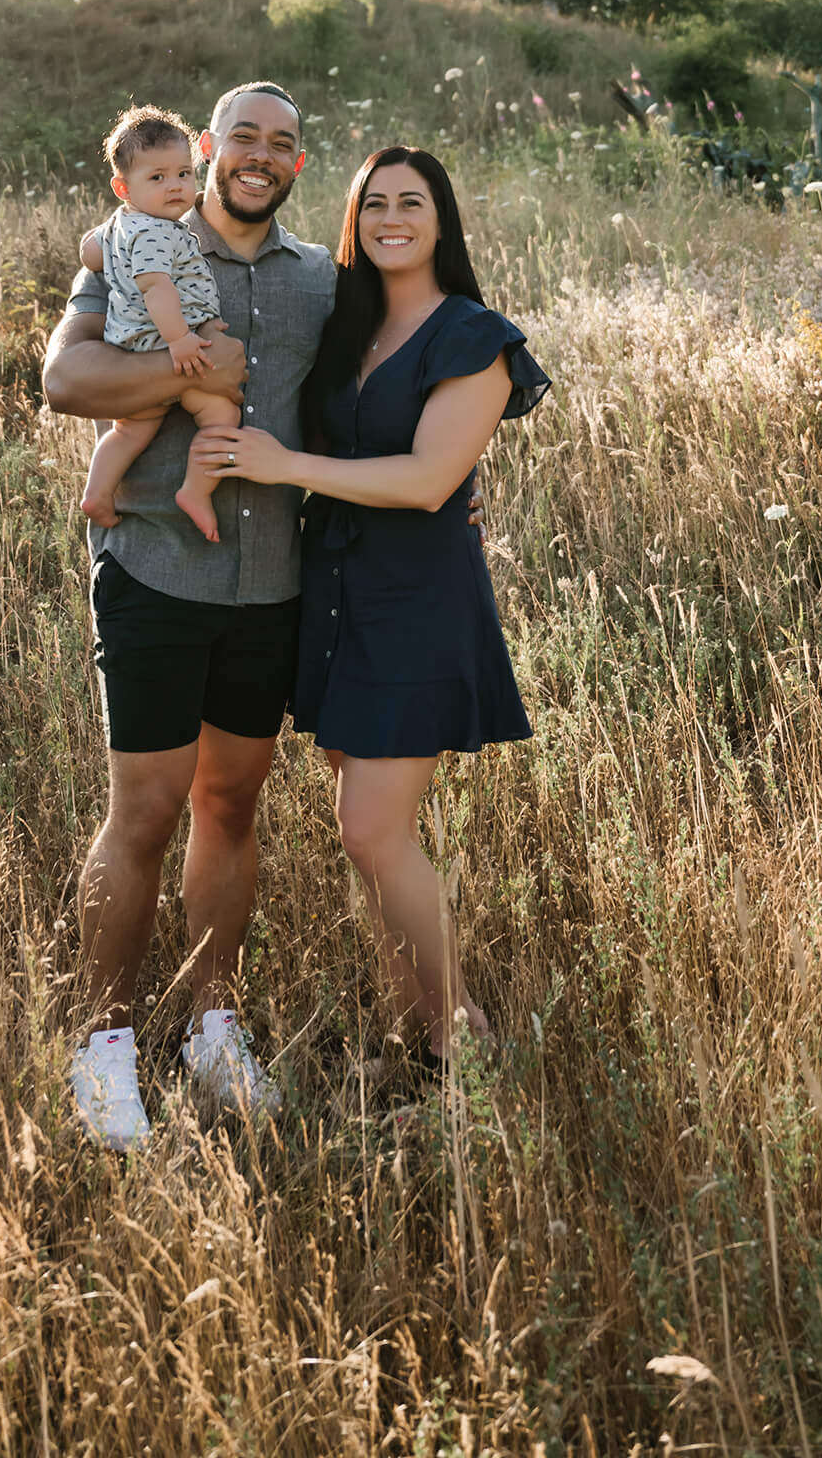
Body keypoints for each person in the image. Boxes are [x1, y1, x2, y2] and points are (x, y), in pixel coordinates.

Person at [190, 146, 548, 1059]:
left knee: (372, 830)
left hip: (416, 601)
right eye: (374, 203)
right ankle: (422, 1039)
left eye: (412, 202)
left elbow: (432, 480)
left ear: (441, 219)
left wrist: (287, 467)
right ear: (353, 220)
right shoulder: (346, 328)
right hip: (338, 592)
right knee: (363, 840)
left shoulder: (472, 335)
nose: (392, 218)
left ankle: (470, 1040)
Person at [41, 82, 335, 1149]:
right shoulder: (138, 242)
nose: (261, 155)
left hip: (269, 582)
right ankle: (104, 1044)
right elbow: (65, 377)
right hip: (156, 568)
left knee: (234, 807)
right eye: (244, 137)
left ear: (299, 163)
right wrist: (186, 367)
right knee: (148, 811)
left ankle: (216, 1031)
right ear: (211, 147)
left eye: (283, 144)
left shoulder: (320, 280)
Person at [76, 107, 240, 542]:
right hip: (161, 344)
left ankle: (97, 491)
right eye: (158, 178)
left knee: (129, 431)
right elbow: (156, 288)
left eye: (184, 174)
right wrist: (181, 340)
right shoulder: (155, 233)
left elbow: (89, 254)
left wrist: (104, 240)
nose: (175, 186)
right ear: (122, 187)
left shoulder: (121, 225)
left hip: (131, 344)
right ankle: (196, 490)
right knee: (221, 412)